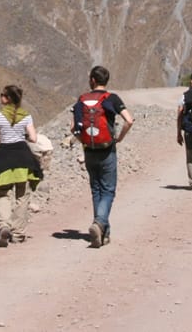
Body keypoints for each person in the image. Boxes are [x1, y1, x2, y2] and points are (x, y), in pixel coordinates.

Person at [71, 65, 135, 248]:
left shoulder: (82, 100)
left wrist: (82, 140)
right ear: (106, 81)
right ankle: (99, 223)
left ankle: (103, 233)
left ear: (92, 80)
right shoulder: (111, 99)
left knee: (96, 189)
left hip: (89, 150)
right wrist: (119, 138)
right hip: (107, 149)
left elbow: (73, 127)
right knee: (108, 190)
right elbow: (129, 120)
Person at [0, 84, 42, 247]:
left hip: (4, 157)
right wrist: (21, 134)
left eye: (2, 95)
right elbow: (33, 138)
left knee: (3, 193)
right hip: (23, 158)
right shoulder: (26, 116)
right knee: (22, 196)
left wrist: (2, 137)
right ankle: (18, 233)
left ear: (8, 98)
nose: (1, 97)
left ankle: (4, 225)